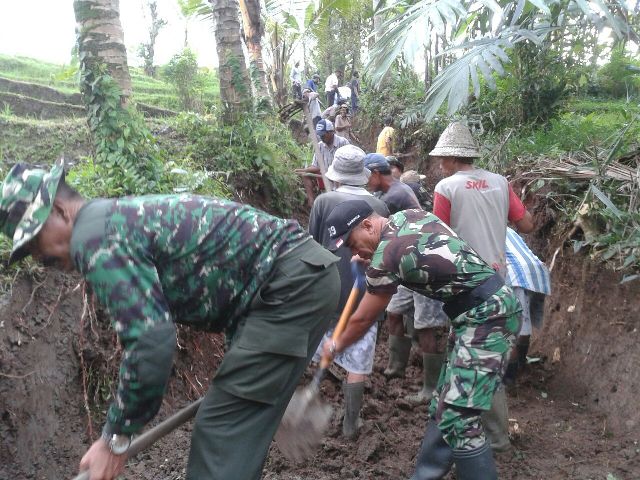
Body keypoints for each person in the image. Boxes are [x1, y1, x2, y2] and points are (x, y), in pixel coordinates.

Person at [0, 160, 340, 480]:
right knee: (234, 427)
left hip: (291, 286)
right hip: (295, 280)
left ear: (60, 211)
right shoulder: (109, 221)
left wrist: (116, 437)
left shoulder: (94, 237)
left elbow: (150, 339)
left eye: (34, 243)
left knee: (222, 429)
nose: (40, 258)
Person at [322, 200, 521, 480]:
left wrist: (335, 345)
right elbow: (413, 250)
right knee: (444, 405)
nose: (352, 252)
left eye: (352, 244)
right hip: (475, 313)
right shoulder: (409, 216)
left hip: (487, 317)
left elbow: (362, 319)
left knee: (459, 419)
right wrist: (374, 261)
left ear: (367, 225)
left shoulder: (387, 257)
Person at [431, 121, 534, 452]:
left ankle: (491, 435)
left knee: (471, 355)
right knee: (490, 353)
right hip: (497, 280)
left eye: (441, 158)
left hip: (465, 282)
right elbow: (527, 224)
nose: (439, 164)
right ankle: (479, 423)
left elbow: (439, 238)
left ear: (450, 158)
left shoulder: (446, 188)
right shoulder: (501, 182)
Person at [308, 145, 389, 439]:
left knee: (320, 345)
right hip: (366, 291)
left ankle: (319, 397)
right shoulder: (378, 207)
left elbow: (312, 247)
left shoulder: (323, 201)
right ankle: (351, 424)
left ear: (337, 175)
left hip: (328, 289)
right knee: (359, 356)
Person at [502, 227, 551, 388]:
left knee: (510, 332)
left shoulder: (480, 230)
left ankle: (509, 379)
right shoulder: (506, 228)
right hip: (534, 270)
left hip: (514, 273)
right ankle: (521, 365)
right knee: (523, 323)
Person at [295, 119, 350, 208]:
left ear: (331, 132)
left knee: (339, 180)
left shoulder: (343, 143)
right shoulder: (320, 146)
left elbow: (349, 165)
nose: (321, 137)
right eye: (320, 135)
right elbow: (316, 166)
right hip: (326, 176)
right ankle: (312, 203)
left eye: (323, 135)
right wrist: (303, 170)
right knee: (305, 175)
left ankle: (339, 200)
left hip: (341, 177)